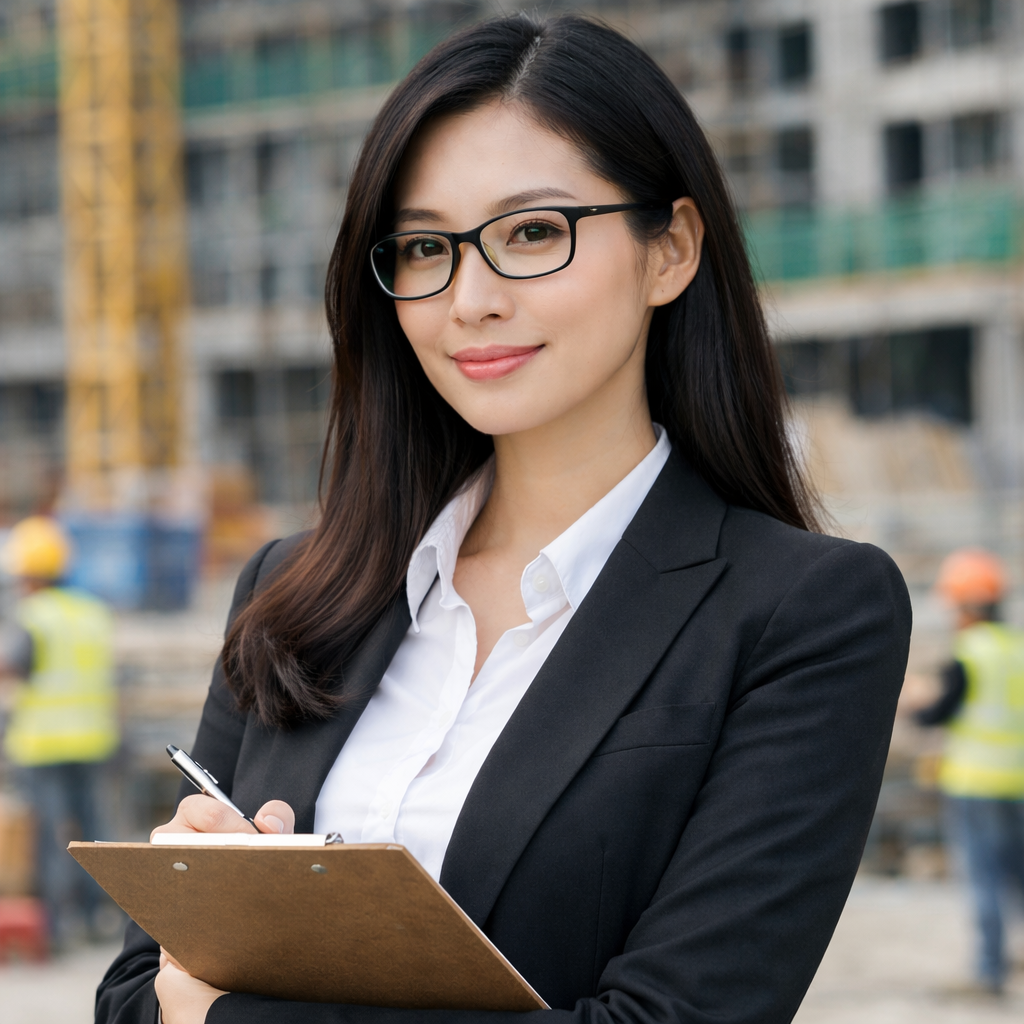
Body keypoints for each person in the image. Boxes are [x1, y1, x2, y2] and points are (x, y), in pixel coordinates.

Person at [97, 15, 912, 1024]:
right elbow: (134, 994)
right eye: (425, 247)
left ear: (671, 250)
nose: (469, 299)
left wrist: (224, 1009)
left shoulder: (803, 614)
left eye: (532, 232)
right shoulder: (294, 591)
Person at [0, 515, 118, 946]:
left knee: (52, 839)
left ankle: (56, 927)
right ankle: (98, 918)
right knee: (91, 834)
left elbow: (14, 665)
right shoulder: (91, 611)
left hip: (43, 745)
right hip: (93, 740)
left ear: (27, 573)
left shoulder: (34, 615)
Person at [915, 548, 1024, 996]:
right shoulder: (1016, 648)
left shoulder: (969, 653)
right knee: (1017, 875)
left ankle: (989, 972)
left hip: (974, 783)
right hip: (1016, 781)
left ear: (964, 605)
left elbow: (940, 712)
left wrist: (914, 707)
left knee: (984, 880)